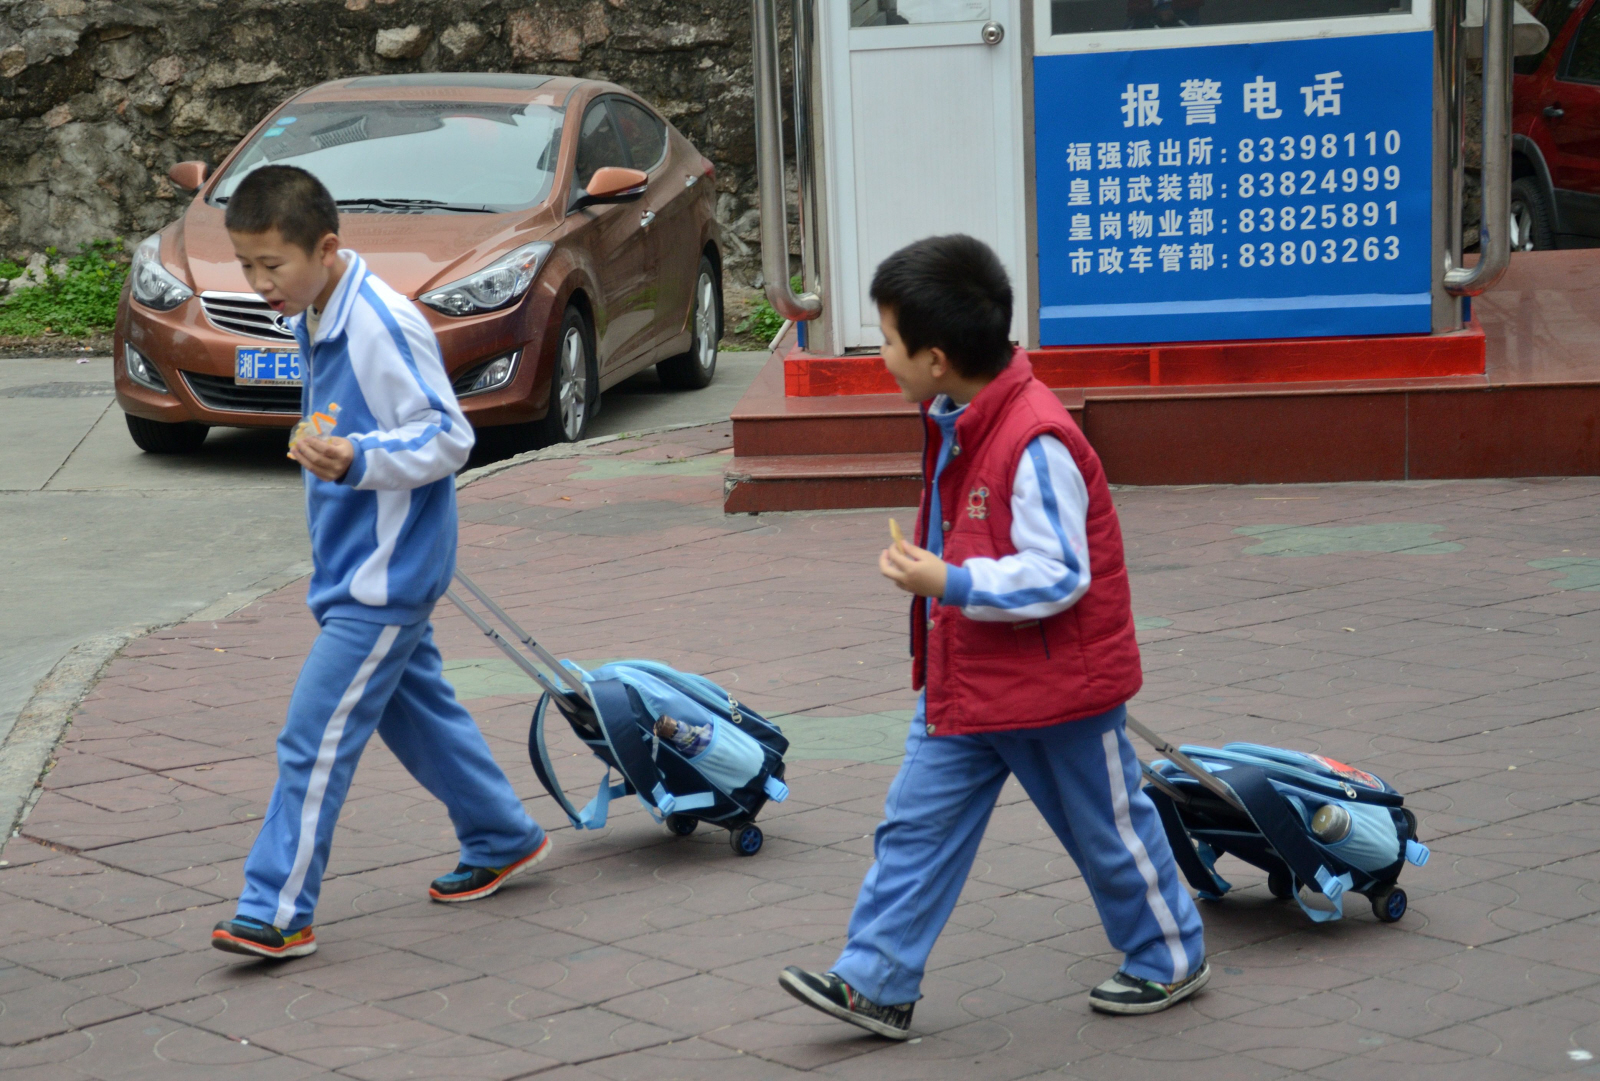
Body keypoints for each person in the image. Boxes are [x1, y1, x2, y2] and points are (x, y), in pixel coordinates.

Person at [778, 235, 1207, 1037]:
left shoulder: (1035, 437)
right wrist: (946, 585)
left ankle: (1170, 952)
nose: (883, 356)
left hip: (1059, 689)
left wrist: (951, 582)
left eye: (889, 341)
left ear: (936, 358)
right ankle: (874, 979)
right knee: (915, 827)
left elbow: (1059, 572)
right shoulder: (961, 418)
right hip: (969, 679)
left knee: (1106, 831)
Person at [210, 165, 549, 960]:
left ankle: (276, 909)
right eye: (247, 266)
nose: (259, 284)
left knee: (312, 738)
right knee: (417, 712)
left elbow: (448, 435)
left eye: (272, 265)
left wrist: (356, 457)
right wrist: (336, 448)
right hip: (356, 569)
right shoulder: (315, 309)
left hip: (382, 580)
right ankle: (502, 833)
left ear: (326, 249)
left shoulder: (378, 321)